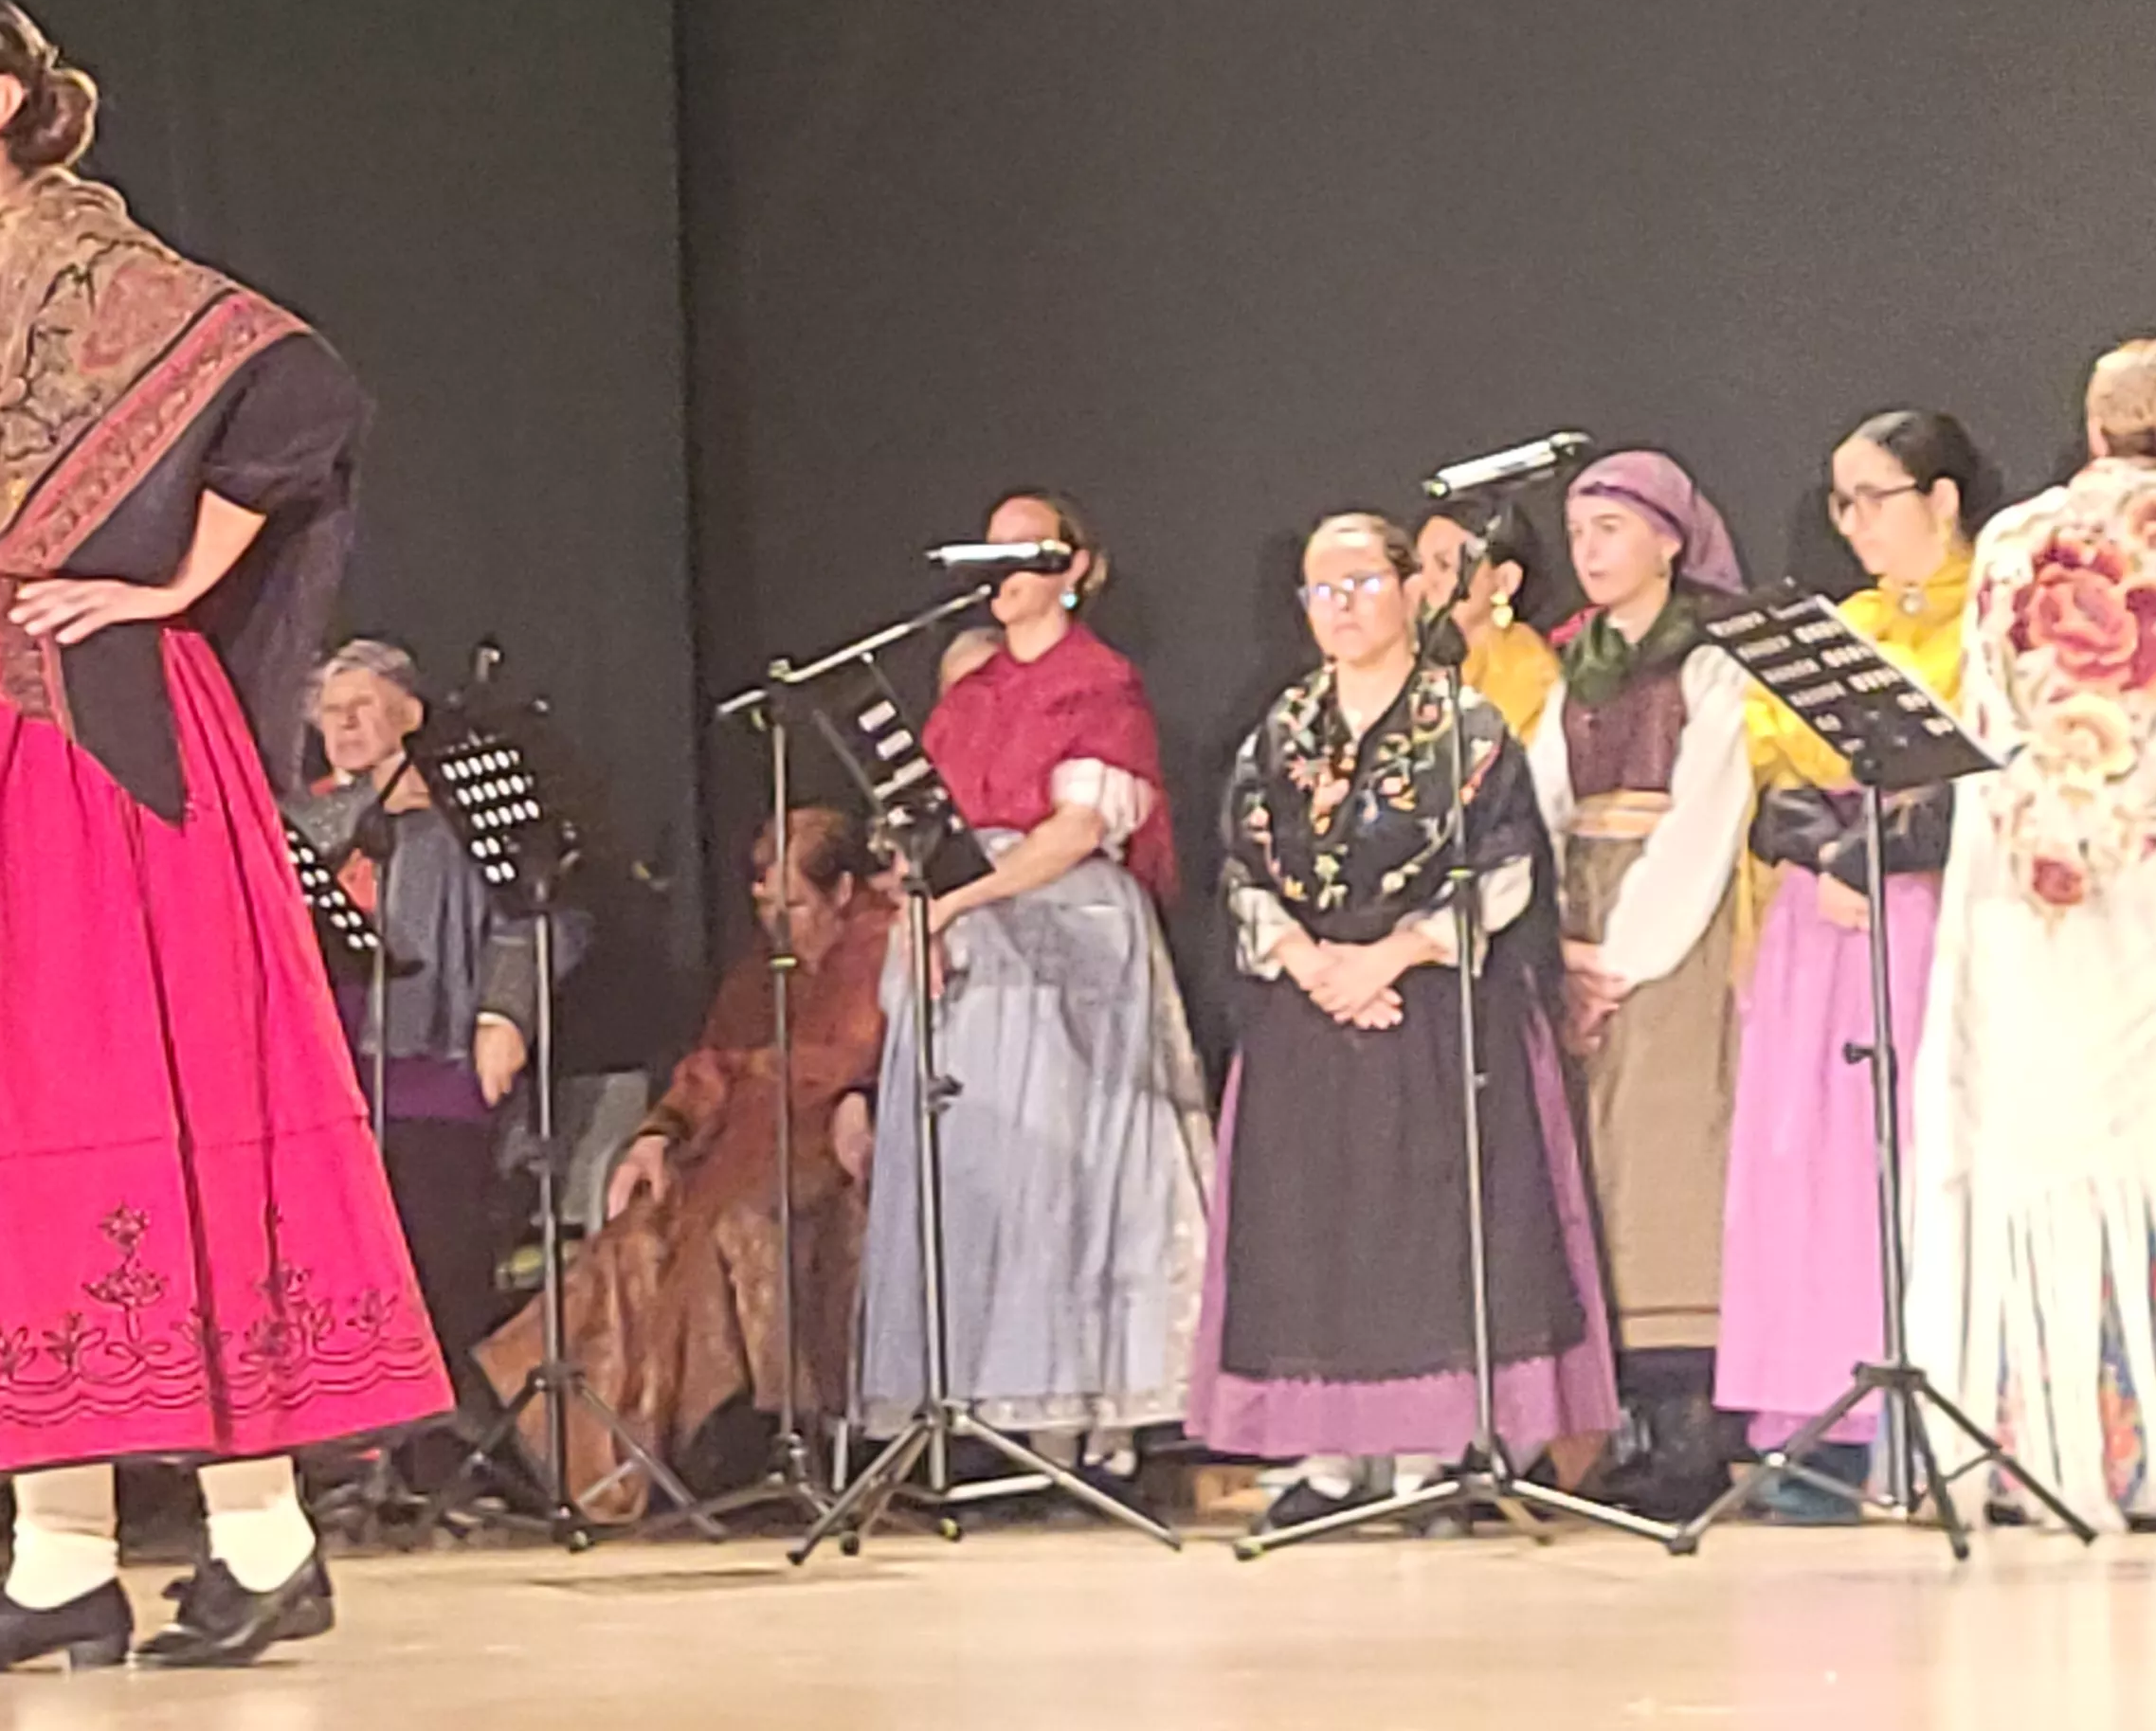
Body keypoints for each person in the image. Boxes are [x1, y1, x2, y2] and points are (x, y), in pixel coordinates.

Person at [0, 0, 445, 1672]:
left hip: (82, 738)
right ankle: (60, 1549)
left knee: (137, 1101)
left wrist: (176, 575)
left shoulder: (80, 263)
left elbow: (300, 393)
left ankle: (262, 1534)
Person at [1191, 515, 1619, 1528]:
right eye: (1319, 589)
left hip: (1433, 1006)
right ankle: (1327, 1458)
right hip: (1309, 1010)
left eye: (1360, 582)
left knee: (1432, 1231)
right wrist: (1310, 962)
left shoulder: (1466, 729)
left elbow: (1508, 867)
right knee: (1313, 1229)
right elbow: (1242, 871)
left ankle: (1435, 1454)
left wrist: (1389, 955)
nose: (1340, 607)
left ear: (1408, 592)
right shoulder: (1279, 733)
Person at [1917, 336, 2156, 1530]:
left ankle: (2061, 1442)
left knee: (2054, 1160)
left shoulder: (2011, 543)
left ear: (2094, 428)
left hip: (2040, 898)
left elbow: (1980, 717)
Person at [859, 491, 1212, 1478]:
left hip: (1061, 935)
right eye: (991, 550)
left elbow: (1074, 827)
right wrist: (914, 906)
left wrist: (959, 898)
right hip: (966, 937)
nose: (1002, 567)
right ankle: (977, 1413)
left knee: (1064, 1167)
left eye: (1027, 549)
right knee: (974, 1170)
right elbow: (912, 821)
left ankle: (1075, 1420)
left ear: (1074, 567)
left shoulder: (1099, 681)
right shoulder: (966, 693)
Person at [1712, 412, 1985, 1523]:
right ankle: (1815, 1425)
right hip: (1817, 924)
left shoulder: (1993, 616)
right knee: (1810, 1167)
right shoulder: (1843, 627)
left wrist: (1874, 857)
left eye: (1875, 495)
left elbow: (1982, 774)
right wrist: (1819, 849)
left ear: (1943, 498)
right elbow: (1770, 762)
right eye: (1840, 501)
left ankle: (1928, 1427)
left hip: (1923, 912)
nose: (1854, 522)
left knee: (1911, 1154)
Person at [473, 805, 891, 1521]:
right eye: (764, 904)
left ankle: (718, 1441)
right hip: (733, 1146)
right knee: (632, 1240)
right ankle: (532, 1429)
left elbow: (850, 1059)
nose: (775, 921)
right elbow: (708, 1065)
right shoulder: (762, 969)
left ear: (842, 891)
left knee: (730, 1231)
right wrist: (657, 1133)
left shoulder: (880, 947)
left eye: (792, 903)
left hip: (827, 1148)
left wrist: (791, 1081)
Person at [1530, 450, 1755, 1515]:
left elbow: (1706, 813)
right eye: (1578, 533)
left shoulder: (1709, 658)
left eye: (1610, 529)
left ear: (1669, 537)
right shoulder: (1574, 665)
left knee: (1669, 1156)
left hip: (1667, 925)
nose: (1589, 552)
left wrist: (1620, 955)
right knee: (1594, 1169)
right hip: (1577, 912)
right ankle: (1616, 1418)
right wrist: (1551, 944)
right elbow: (1532, 798)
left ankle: (1689, 1431)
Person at [286, 640, 531, 1380]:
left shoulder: (465, 815)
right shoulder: (311, 819)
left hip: (435, 1059)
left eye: (363, 707)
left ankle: (442, 1444)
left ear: (412, 715)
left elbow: (542, 915)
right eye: (331, 712)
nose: (345, 724)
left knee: (437, 1256)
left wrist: (504, 1013)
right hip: (326, 1065)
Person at [1416, 504, 1561, 744]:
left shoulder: (1531, 675)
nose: (1423, 583)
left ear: (1505, 580)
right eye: (1419, 566)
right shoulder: (1413, 661)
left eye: (1444, 565)